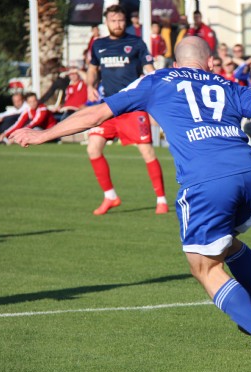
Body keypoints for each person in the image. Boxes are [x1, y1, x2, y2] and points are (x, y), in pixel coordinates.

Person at [10, 36, 251, 366]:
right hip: (247, 173)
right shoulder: (224, 82)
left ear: (175, 65)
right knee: (228, 245)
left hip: (206, 180)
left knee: (204, 267)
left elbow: (96, 115)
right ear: (210, 62)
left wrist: (42, 134)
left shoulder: (158, 80)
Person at [87, 5, 168, 216]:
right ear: (107, 22)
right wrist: (89, 86)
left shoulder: (136, 43)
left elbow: (149, 70)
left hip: (132, 106)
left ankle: (161, 199)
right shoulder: (99, 45)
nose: (118, 24)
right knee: (93, 148)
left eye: (121, 20)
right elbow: (93, 69)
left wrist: (158, 85)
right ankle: (110, 196)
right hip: (109, 107)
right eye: (113, 20)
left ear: (126, 21)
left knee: (147, 151)